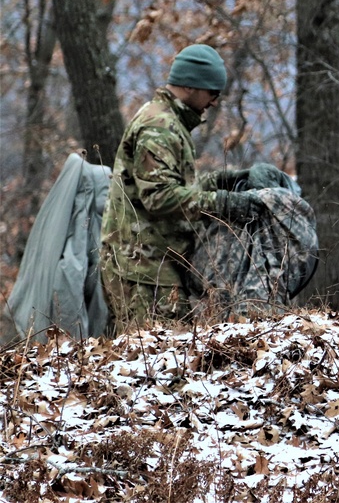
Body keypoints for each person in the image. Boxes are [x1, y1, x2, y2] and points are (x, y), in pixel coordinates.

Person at [100, 44, 263, 334]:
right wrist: (223, 203)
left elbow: (173, 187)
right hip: (143, 267)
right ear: (190, 86)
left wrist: (224, 180)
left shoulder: (168, 121)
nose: (214, 102)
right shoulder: (159, 127)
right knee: (157, 363)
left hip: (153, 262)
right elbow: (159, 197)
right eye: (212, 92)